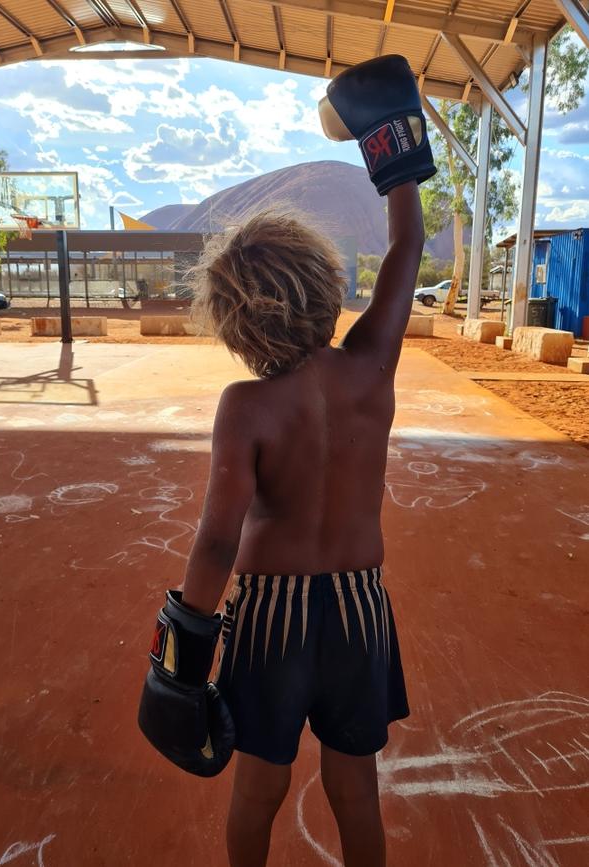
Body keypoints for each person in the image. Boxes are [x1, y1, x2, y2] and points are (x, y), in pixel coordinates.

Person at [138, 56, 435, 867]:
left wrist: (182, 659)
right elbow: (408, 242)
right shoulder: (372, 366)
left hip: (271, 619)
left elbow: (214, 545)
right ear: (323, 281)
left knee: (257, 792)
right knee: (356, 789)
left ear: (235, 319)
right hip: (359, 610)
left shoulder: (248, 407)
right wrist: (391, 141)